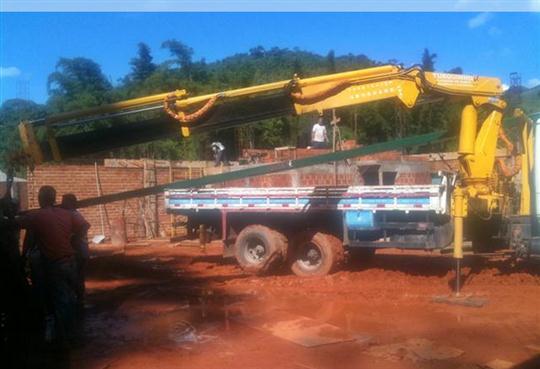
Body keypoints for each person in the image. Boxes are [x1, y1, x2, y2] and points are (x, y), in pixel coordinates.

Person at [18, 185, 89, 346]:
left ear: (39, 199)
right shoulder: (67, 213)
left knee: (60, 301)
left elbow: (17, 226)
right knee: (69, 298)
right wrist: (73, 239)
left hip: (55, 264)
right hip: (71, 262)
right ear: (55, 199)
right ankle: (71, 333)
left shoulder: (36, 216)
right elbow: (85, 225)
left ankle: (67, 339)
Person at [61, 193, 90, 309]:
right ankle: (79, 299)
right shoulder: (73, 213)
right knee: (78, 276)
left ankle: (79, 300)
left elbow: (86, 226)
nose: (62, 204)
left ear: (70, 203)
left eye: (64, 201)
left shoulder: (73, 213)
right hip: (81, 250)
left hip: (79, 250)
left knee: (76, 276)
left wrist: (74, 236)